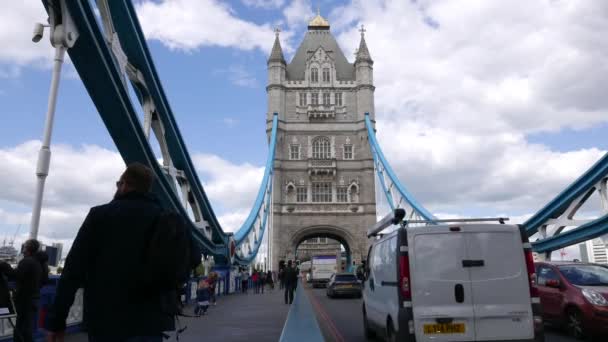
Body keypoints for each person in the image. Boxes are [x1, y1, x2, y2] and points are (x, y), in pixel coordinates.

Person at [45, 162, 200, 342]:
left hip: (106, 320)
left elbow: (73, 271)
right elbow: (194, 258)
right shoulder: (169, 219)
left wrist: (57, 320)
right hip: (152, 320)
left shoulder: (100, 215)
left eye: (118, 184)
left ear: (125, 184)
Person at [0, 239, 47, 342]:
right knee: (27, 327)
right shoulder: (40, 262)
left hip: (24, 300)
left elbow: (14, 276)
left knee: (22, 328)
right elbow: (44, 280)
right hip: (34, 298)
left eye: (25, 247)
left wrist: (4, 265)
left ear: (27, 248)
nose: (23, 249)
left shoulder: (27, 261)